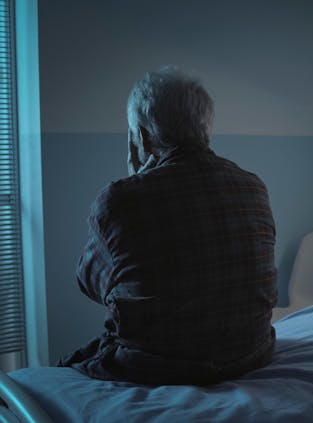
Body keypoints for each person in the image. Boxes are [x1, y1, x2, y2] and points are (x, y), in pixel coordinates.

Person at [59, 67, 278, 385]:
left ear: (143, 136)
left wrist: (135, 185)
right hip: (251, 353)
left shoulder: (121, 200)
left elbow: (89, 284)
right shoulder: (253, 186)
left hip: (159, 366)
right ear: (204, 128)